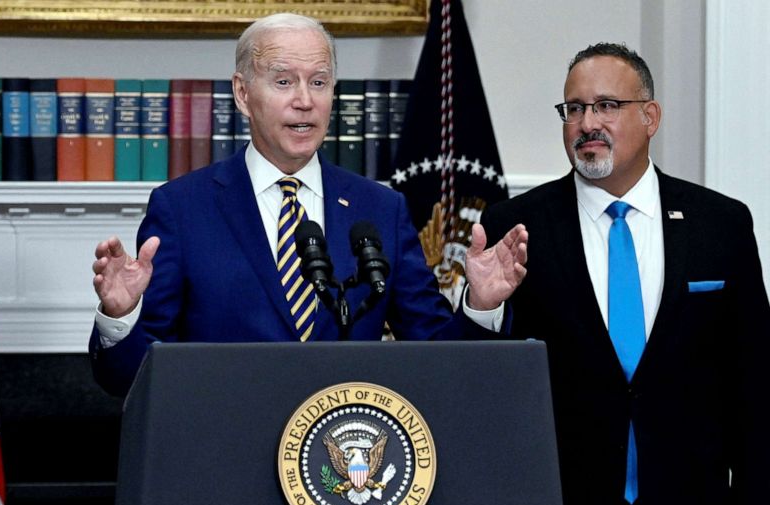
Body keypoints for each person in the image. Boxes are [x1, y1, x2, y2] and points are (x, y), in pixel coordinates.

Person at [87, 13, 527, 396]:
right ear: (242, 94)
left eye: (319, 82)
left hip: (346, 467)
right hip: (225, 464)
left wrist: (480, 307)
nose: (305, 99)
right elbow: (129, 380)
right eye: (283, 81)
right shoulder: (182, 209)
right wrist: (120, 316)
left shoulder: (380, 210)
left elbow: (438, 362)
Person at [482, 43, 770, 505]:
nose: (587, 122)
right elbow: (482, 386)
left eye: (606, 106)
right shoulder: (515, 226)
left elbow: (755, 377)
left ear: (651, 116)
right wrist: (482, 308)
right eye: (573, 109)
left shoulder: (719, 224)